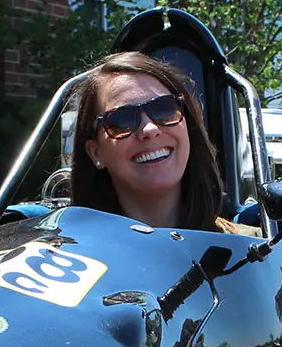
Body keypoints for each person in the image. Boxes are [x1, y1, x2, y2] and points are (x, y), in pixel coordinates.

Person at [69, 52, 258, 235]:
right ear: (96, 153)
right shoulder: (67, 259)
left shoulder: (253, 251)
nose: (150, 129)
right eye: (122, 120)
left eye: (165, 109)